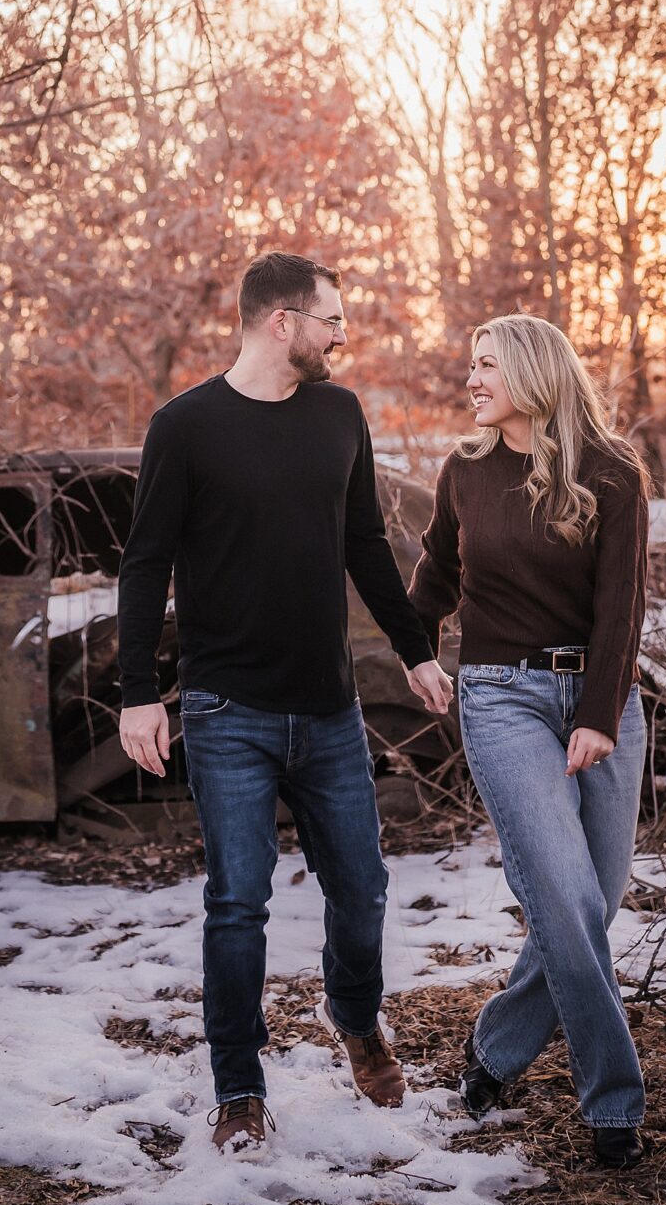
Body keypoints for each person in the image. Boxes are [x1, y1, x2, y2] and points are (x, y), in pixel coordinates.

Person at [117, 250, 454, 1152]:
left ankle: (355, 1019)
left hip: (330, 709)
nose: (343, 334)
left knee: (365, 888)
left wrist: (416, 651)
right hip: (229, 710)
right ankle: (238, 1085)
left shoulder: (340, 414)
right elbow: (145, 561)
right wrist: (138, 695)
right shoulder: (184, 426)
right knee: (238, 902)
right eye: (331, 319)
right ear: (281, 322)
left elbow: (366, 544)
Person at [410, 313, 651, 1171]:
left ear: (530, 373)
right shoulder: (465, 471)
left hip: (601, 698)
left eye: (484, 366)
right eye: (469, 365)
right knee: (563, 896)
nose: (470, 379)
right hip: (501, 697)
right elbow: (435, 577)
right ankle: (614, 1103)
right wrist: (411, 650)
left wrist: (598, 714)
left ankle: (498, 1049)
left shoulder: (612, 471)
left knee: (596, 898)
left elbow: (622, 607)